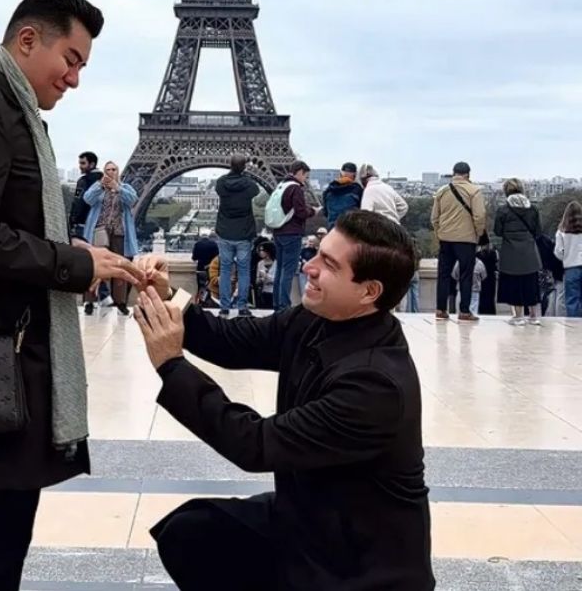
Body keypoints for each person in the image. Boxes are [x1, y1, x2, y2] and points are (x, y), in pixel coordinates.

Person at [0, 0, 150, 591]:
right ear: (28, 40)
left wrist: (77, 257)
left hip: (2, 351)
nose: (74, 78)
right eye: (70, 59)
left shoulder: (3, 104)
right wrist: (72, 264)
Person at [133, 211, 434, 591]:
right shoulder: (316, 320)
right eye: (316, 253)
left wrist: (172, 366)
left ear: (369, 291)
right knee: (191, 533)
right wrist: (167, 297)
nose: (308, 267)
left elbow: (255, 444)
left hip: (359, 563)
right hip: (311, 519)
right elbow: (229, 341)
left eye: (328, 264)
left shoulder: (375, 385)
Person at [431, 161, 486, 322]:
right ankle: (464, 310)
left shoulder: (442, 191)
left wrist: (439, 233)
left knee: (443, 275)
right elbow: (480, 215)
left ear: (453, 173)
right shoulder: (474, 191)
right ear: (468, 174)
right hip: (467, 239)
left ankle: (441, 309)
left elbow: (434, 217)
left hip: (446, 238)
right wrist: (478, 233)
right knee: (466, 275)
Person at [83, 161, 139, 316]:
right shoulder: (98, 187)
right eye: (108, 169)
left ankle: (120, 302)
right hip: (99, 232)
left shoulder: (125, 188)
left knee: (120, 267)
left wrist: (117, 188)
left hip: (119, 233)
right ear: (104, 172)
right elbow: (87, 199)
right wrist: (100, 186)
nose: (111, 172)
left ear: (118, 171)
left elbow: (132, 201)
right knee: (95, 266)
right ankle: (89, 301)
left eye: (114, 169)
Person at [214, 155, 259, 317]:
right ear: (244, 167)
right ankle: (242, 307)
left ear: (229, 165)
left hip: (225, 231)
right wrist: (246, 174)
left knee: (225, 270)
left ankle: (224, 307)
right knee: (244, 271)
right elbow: (256, 190)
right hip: (243, 233)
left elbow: (218, 189)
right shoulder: (248, 185)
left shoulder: (221, 183)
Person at [494, 178, 542, 326]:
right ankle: (533, 315)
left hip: (510, 252)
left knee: (514, 284)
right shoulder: (533, 209)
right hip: (529, 251)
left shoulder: (503, 210)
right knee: (531, 283)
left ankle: (518, 316)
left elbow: (497, 231)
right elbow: (538, 231)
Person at [271, 161, 318, 311]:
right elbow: (301, 212)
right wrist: (313, 211)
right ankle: (284, 305)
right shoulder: (295, 188)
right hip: (292, 233)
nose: (306, 179)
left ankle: (277, 303)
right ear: (299, 172)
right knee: (288, 270)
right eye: (305, 175)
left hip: (278, 231)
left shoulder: (281, 186)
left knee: (279, 269)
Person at [70, 152, 105, 314]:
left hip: (86, 226)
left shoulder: (90, 180)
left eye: (83, 163)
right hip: (92, 226)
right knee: (93, 262)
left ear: (91, 164)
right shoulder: (97, 179)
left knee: (88, 263)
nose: (80, 166)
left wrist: (73, 220)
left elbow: (81, 202)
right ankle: (100, 297)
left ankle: (96, 298)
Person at [554, 200, 582, 318]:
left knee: (572, 301)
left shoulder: (561, 231)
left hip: (571, 268)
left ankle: (574, 330)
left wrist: (567, 255)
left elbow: (558, 252)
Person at [322, 163, 363, 229]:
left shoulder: (329, 190)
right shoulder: (357, 190)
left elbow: (325, 212)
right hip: (351, 228)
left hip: (333, 228)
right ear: (355, 175)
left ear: (341, 173)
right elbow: (362, 210)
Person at [191, 231, 219, 304]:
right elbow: (217, 257)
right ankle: (210, 300)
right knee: (211, 285)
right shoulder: (214, 244)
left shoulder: (198, 244)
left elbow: (194, 258)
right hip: (211, 269)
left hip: (200, 269)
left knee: (201, 286)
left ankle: (201, 301)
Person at [476, 243, 499, 315]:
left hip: (482, 277)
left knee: (482, 296)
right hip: (491, 278)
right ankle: (491, 311)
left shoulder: (478, 254)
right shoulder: (493, 254)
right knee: (491, 297)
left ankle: (481, 311)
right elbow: (496, 265)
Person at [255, 241, 276, 309]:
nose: (261, 252)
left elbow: (276, 279)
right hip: (264, 291)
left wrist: (267, 277)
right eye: (260, 250)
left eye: (263, 250)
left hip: (273, 291)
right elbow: (257, 279)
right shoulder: (260, 263)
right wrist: (260, 280)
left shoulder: (276, 263)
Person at [297, 235, 318, 301]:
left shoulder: (316, 251)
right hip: (303, 272)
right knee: (303, 289)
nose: (311, 243)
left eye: (312, 242)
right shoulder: (303, 250)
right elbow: (299, 258)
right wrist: (303, 261)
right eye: (310, 241)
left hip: (312, 273)